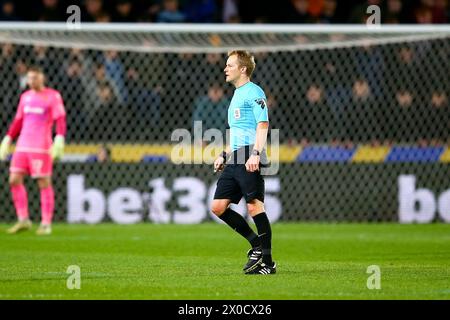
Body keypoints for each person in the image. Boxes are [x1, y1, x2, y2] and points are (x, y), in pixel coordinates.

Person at [211, 50, 276, 275]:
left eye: (230, 65)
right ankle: (256, 244)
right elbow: (236, 133)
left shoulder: (254, 91)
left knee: (254, 206)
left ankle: (268, 262)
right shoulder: (236, 95)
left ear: (243, 69)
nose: (225, 69)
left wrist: (256, 153)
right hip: (236, 155)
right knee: (218, 207)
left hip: (250, 153)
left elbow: (263, 125)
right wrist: (224, 153)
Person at [0, 66, 66, 235]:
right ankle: (23, 219)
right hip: (22, 145)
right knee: (14, 179)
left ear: (42, 78)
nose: (32, 81)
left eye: (35, 77)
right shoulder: (25, 97)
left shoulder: (53, 96)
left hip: (41, 146)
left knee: (43, 182)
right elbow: (18, 120)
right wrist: (8, 138)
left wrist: (59, 138)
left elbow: (60, 119)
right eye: (29, 78)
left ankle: (45, 223)